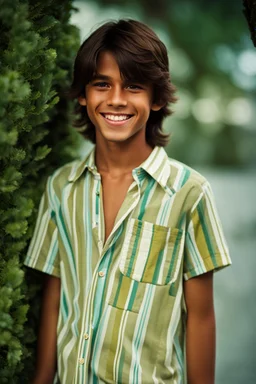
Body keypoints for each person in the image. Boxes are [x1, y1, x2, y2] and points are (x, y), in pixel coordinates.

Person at [24, 19, 231, 384]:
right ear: (84, 95)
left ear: (157, 98)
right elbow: (54, 299)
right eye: (102, 83)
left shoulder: (189, 193)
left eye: (133, 86)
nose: (116, 99)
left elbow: (199, 317)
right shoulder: (60, 187)